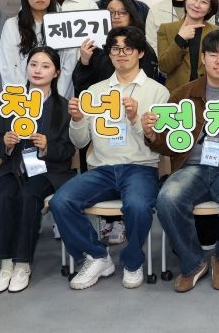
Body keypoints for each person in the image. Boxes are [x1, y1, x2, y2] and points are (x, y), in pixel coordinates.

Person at [144, 30, 219, 293]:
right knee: (167, 198)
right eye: (213, 54)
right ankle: (192, 263)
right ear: (203, 58)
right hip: (192, 167)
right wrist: (152, 135)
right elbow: (168, 144)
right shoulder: (182, 94)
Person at [50, 26, 170, 290]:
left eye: (128, 49)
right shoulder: (94, 91)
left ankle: (132, 261)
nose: (121, 54)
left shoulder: (157, 92)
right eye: (116, 49)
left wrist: (135, 119)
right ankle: (97, 256)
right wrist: (77, 120)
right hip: (101, 169)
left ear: (140, 53)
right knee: (61, 201)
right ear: (109, 53)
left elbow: (159, 143)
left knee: (138, 206)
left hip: (140, 167)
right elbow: (80, 142)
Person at [0, 47, 75, 294]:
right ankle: (6, 265)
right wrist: (5, 143)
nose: (38, 70)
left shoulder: (63, 107)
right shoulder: (12, 102)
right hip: (14, 167)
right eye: (33, 64)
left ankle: (23, 263)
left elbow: (69, 149)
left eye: (45, 66)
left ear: (56, 73)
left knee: (29, 195)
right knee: (3, 194)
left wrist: (48, 146)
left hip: (48, 170)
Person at [0, 0, 76, 97]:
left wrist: (53, 99)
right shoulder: (12, 25)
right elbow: (7, 66)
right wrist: (25, 98)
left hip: (57, 98)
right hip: (22, 99)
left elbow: (69, 65)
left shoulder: (63, 24)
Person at [73, 0, 159, 96]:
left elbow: (149, 86)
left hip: (136, 100)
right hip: (100, 101)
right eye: (111, 13)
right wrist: (84, 61)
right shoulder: (93, 46)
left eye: (122, 12)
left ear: (131, 16)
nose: (116, 16)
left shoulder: (141, 45)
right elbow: (81, 87)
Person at [157, 0, 219, 92]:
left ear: (209, 9)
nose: (197, 5)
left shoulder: (215, 32)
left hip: (208, 94)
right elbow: (164, 67)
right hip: (177, 95)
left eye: (204, 2)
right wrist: (180, 39)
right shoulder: (166, 29)